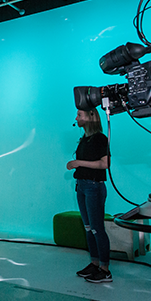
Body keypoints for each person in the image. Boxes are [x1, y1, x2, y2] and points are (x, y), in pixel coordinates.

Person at [67, 107, 112, 283]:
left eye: (79, 115)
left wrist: (78, 163)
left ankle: (105, 269)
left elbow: (105, 163)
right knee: (88, 227)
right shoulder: (85, 139)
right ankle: (94, 263)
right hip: (82, 186)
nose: (76, 117)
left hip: (94, 187)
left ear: (90, 117)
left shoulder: (100, 138)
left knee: (97, 228)